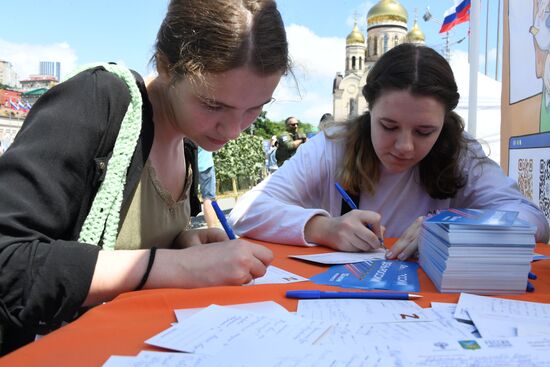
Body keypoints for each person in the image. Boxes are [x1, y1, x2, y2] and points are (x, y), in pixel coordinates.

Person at [0, 0, 289, 354]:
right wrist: (179, 266)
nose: (232, 131)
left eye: (255, 109)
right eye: (214, 105)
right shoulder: (99, 101)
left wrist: (183, 243)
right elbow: (9, 263)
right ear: (167, 66)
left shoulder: (188, 142)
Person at [229, 43, 550, 260]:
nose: (405, 146)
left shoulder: (460, 152)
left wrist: (451, 226)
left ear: (445, 122)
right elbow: (246, 212)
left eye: (425, 131)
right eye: (389, 126)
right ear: (369, 110)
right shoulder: (333, 145)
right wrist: (323, 228)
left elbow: (534, 221)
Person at [197, 147, 218, 228]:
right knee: (208, 198)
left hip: (190, 166)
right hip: (206, 166)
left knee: (185, 200)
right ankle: (213, 229)